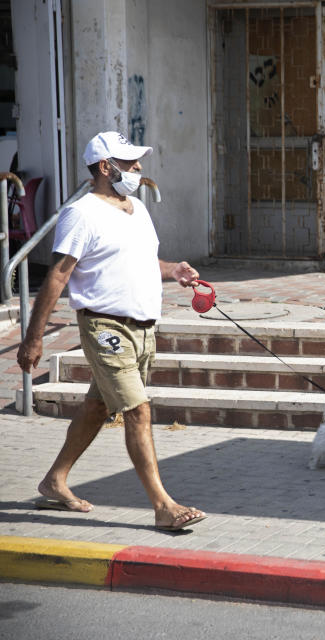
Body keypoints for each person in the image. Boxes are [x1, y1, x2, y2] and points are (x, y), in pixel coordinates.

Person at [16, 131, 206, 532]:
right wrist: (34, 337)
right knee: (138, 409)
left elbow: (142, 261)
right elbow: (57, 277)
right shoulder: (81, 213)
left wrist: (175, 271)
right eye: (129, 162)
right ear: (106, 167)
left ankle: (54, 480)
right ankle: (163, 505)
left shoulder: (136, 208)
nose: (137, 169)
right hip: (105, 327)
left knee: (98, 406)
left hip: (143, 329)